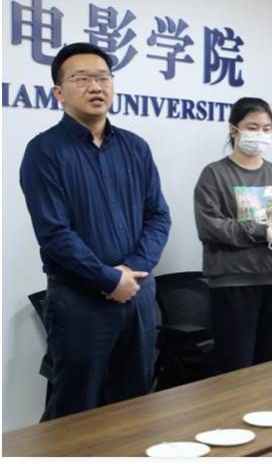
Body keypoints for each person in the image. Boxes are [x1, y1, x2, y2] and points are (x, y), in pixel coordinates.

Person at [19, 42, 171, 420]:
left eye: (103, 77)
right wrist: (108, 278)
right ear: (59, 92)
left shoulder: (136, 148)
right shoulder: (44, 151)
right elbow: (55, 234)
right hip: (80, 303)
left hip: (137, 296)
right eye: (82, 78)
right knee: (76, 412)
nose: (96, 86)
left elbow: (158, 216)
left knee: (135, 408)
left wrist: (131, 271)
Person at [194, 97, 272, 374]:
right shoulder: (214, 174)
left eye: (266, 129)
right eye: (252, 127)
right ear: (234, 129)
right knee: (236, 368)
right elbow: (211, 226)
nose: (260, 135)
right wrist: (262, 231)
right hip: (234, 283)